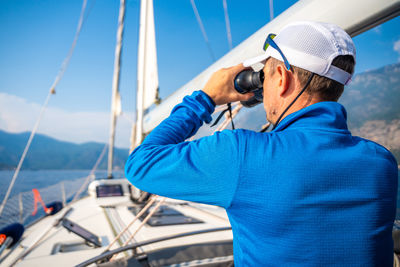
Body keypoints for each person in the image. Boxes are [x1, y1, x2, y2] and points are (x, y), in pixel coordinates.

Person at [125, 21, 398, 266]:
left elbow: (140, 164)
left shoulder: (242, 154)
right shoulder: (382, 162)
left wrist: (205, 99)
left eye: (264, 76)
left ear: (282, 78)